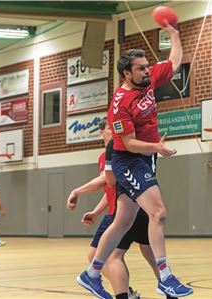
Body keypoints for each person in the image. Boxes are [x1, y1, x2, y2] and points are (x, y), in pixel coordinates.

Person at [78, 21, 193, 299]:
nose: (147, 71)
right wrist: (156, 147)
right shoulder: (120, 105)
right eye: (141, 68)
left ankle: (91, 274)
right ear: (126, 73)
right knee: (159, 213)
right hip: (128, 160)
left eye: (146, 66)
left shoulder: (148, 77)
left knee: (123, 221)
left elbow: (174, 62)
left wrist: (174, 35)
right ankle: (165, 277)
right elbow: (128, 143)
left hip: (146, 157)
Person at [68, 119, 178, 299]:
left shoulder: (119, 152)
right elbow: (112, 188)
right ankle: (169, 292)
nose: (115, 132)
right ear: (101, 132)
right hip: (136, 207)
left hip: (127, 211)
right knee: (150, 255)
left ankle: (125, 294)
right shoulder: (108, 155)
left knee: (110, 257)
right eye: (111, 129)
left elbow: (108, 180)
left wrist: (77, 191)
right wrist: (96, 211)